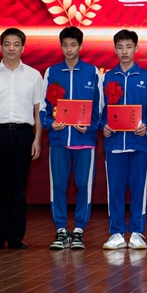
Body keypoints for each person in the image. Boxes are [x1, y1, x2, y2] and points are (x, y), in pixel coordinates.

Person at [0, 28, 44, 249]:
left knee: (19, 188)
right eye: (7, 44)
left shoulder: (34, 75)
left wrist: (37, 139)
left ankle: (15, 236)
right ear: (0, 47)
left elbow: (39, 110)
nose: (11, 48)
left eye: (16, 44)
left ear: (23, 48)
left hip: (23, 134)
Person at [39, 27, 101, 250]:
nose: (69, 49)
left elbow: (99, 108)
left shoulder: (93, 72)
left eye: (73, 45)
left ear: (81, 46)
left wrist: (90, 126)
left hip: (85, 140)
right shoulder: (52, 72)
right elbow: (43, 108)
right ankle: (61, 229)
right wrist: (50, 124)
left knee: (84, 184)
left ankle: (79, 230)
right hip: (59, 139)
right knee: (58, 185)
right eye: (65, 45)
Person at [100, 29, 147, 250]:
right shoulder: (106, 77)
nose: (124, 51)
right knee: (115, 190)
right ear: (115, 49)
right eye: (120, 47)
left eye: (128, 47)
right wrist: (103, 125)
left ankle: (136, 232)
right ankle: (116, 233)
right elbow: (99, 110)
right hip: (114, 143)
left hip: (139, 143)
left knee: (138, 189)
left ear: (136, 48)